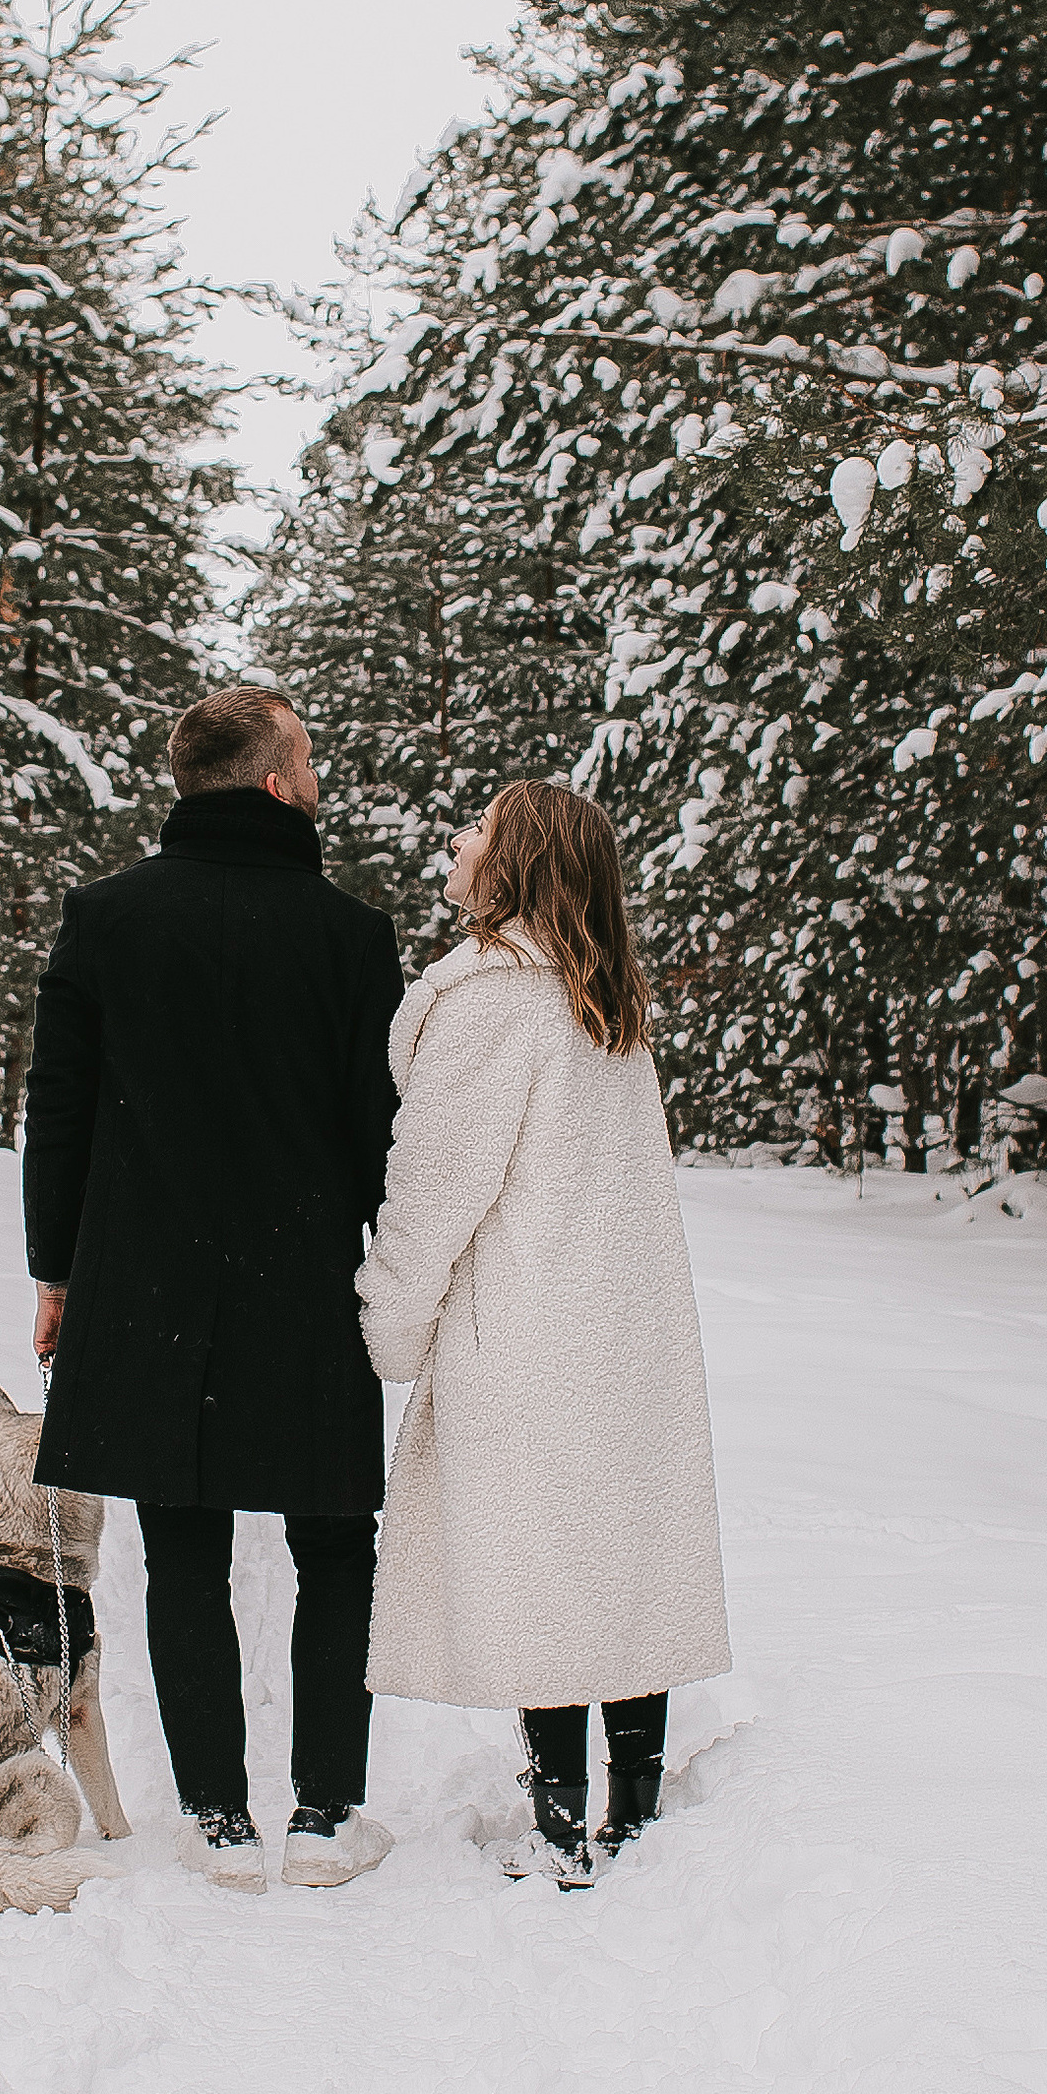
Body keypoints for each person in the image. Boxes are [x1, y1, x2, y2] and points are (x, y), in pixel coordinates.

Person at [22, 682, 405, 1891]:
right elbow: (382, 1132)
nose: (317, 772)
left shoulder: (106, 918)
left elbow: (61, 1116)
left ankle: (219, 1821)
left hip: (146, 1281)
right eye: (309, 752)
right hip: (304, 1281)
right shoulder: (349, 936)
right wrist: (395, 1271)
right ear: (275, 783)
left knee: (180, 1541)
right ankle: (326, 1819)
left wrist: (55, 1273)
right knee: (334, 1542)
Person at [356, 779, 730, 1885]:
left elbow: (431, 1195)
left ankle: (562, 1829)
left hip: (525, 1334)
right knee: (621, 1561)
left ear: (514, 866)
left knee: (541, 1570)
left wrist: (389, 1325)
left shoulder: (489, 1003)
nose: (456, 836)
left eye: (476, 827)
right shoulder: (603, 999)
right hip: (623, 1334)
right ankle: (637, 1811)